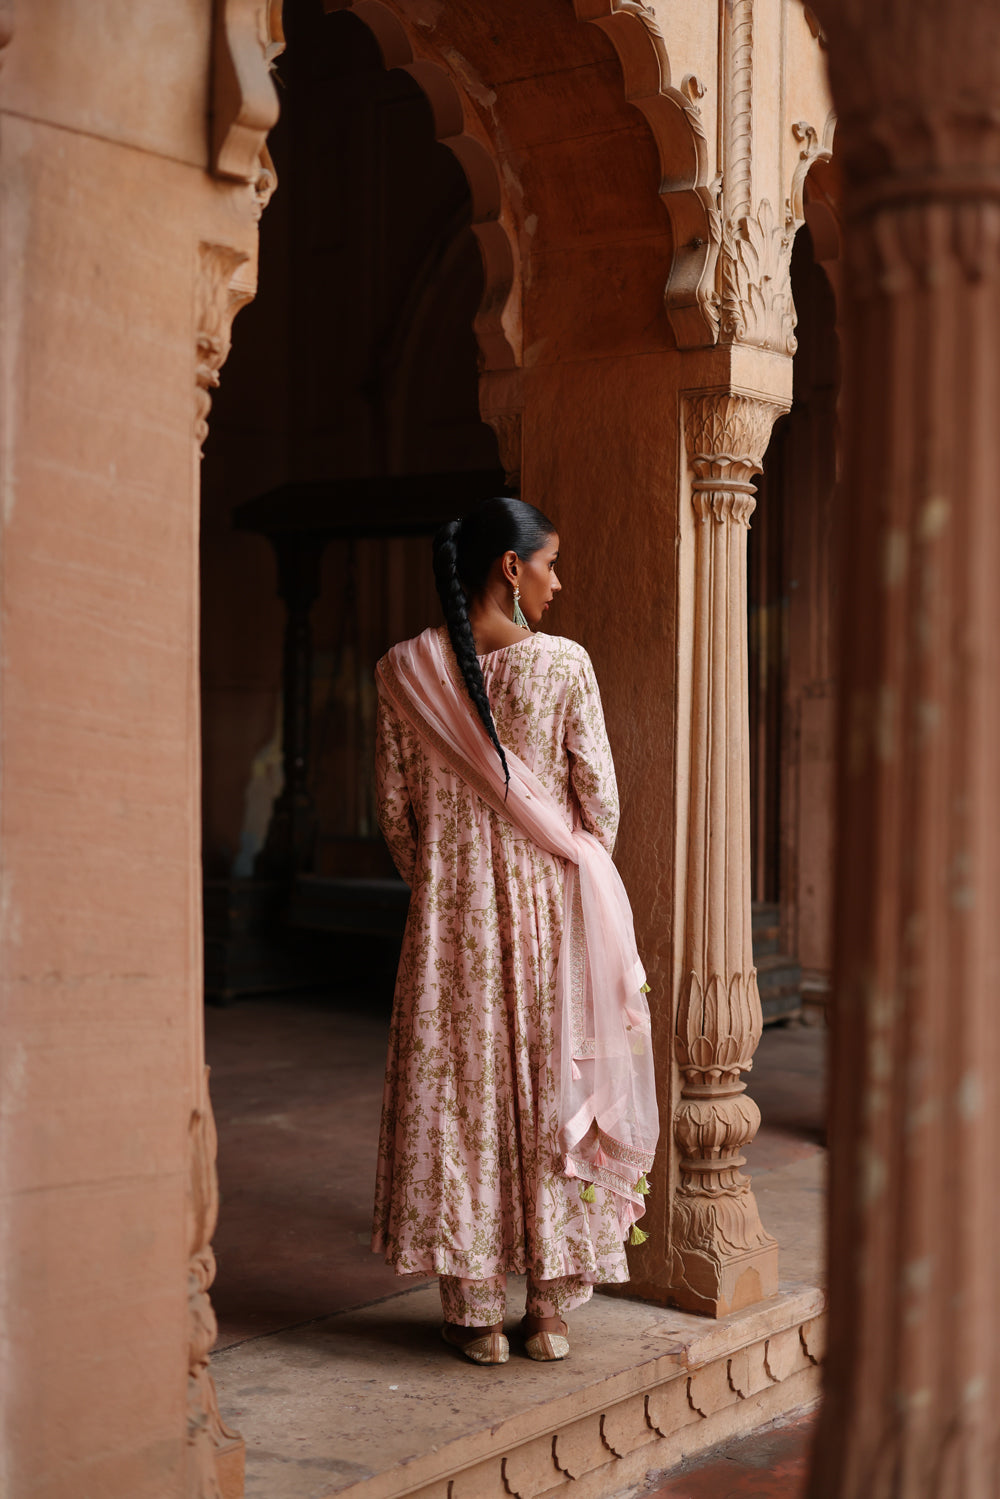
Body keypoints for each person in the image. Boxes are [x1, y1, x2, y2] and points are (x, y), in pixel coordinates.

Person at [373, 496, 657, 1367]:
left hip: (449, 920)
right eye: (550, 563)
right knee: (549, 1090)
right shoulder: (563, 666)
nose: (557, 580)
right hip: (546, 913)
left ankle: (475, 1316)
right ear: (511, 566)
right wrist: (554, 867)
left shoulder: (402, 670)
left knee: (461, 1102)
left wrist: (450, 882)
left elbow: (395, 814)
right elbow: (598, 800)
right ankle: (550, 1311)